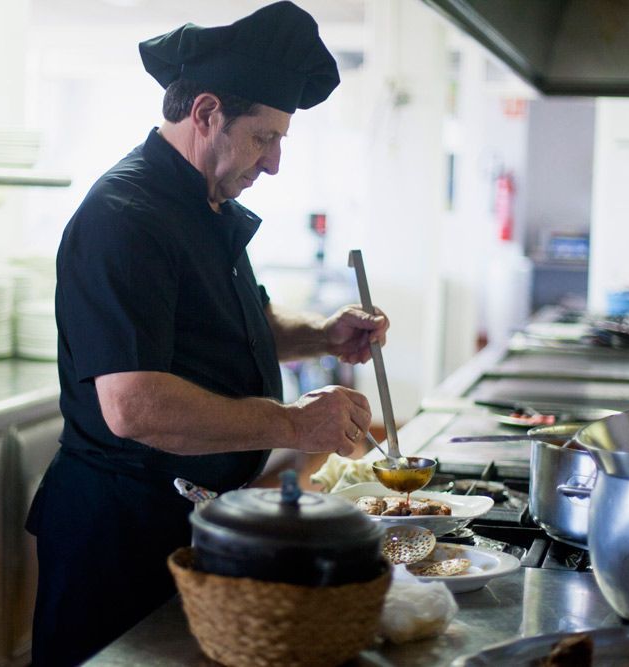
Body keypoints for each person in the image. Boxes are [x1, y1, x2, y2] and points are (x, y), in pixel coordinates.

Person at [26, 2, 391, 664]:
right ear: (205, 113)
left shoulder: (207, 203)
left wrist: (325, 334)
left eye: (280, 141)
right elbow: (133, 403)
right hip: (122, 539)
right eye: (263, 138)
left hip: (193, 523)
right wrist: (291, 424)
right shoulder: (125, 217)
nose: (274, 162)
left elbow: (243, 330)